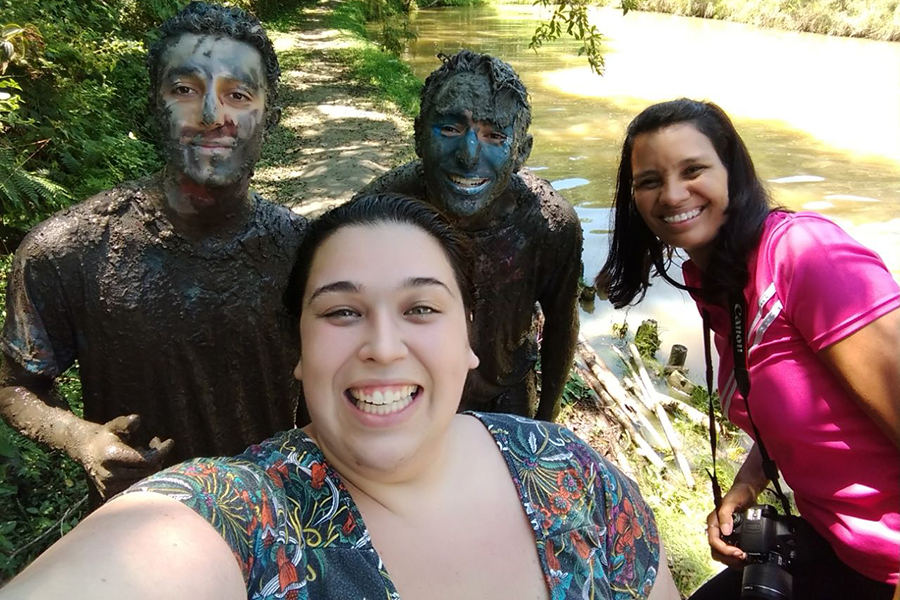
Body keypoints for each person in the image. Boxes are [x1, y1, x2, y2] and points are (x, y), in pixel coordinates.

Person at [1, 194, 680, 600]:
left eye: (421, 308)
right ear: (299, 351)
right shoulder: (243, 515)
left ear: (469, 338)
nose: (382, 346)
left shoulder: (570, 471)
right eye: (341, 312)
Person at [0, 2, 306, 501]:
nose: (212, 116)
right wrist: (83, 439)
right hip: (136, 526)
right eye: (185, 90)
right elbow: (14, 386)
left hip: (274, 522)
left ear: (269, 114)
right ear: (153, 106)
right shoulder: (69, 252)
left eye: (238, 95)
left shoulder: (305, 250)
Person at [597, 98, 900, 599]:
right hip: (834, 548)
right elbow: (806, 413)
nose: (672, 194)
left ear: (732, 173)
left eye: (693, 170)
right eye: (649, 180)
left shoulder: (803, 253)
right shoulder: (719, 281)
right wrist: (745, 487)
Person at [357, 50, 582, 422]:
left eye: (495, 136)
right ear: (419, 135)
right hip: (406, 391)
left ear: (521, 152)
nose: (469, 155)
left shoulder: (548, 225)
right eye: (449, 129)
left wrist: (547, 419)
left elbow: (562, 324)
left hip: (504, 394)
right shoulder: (377, 214)